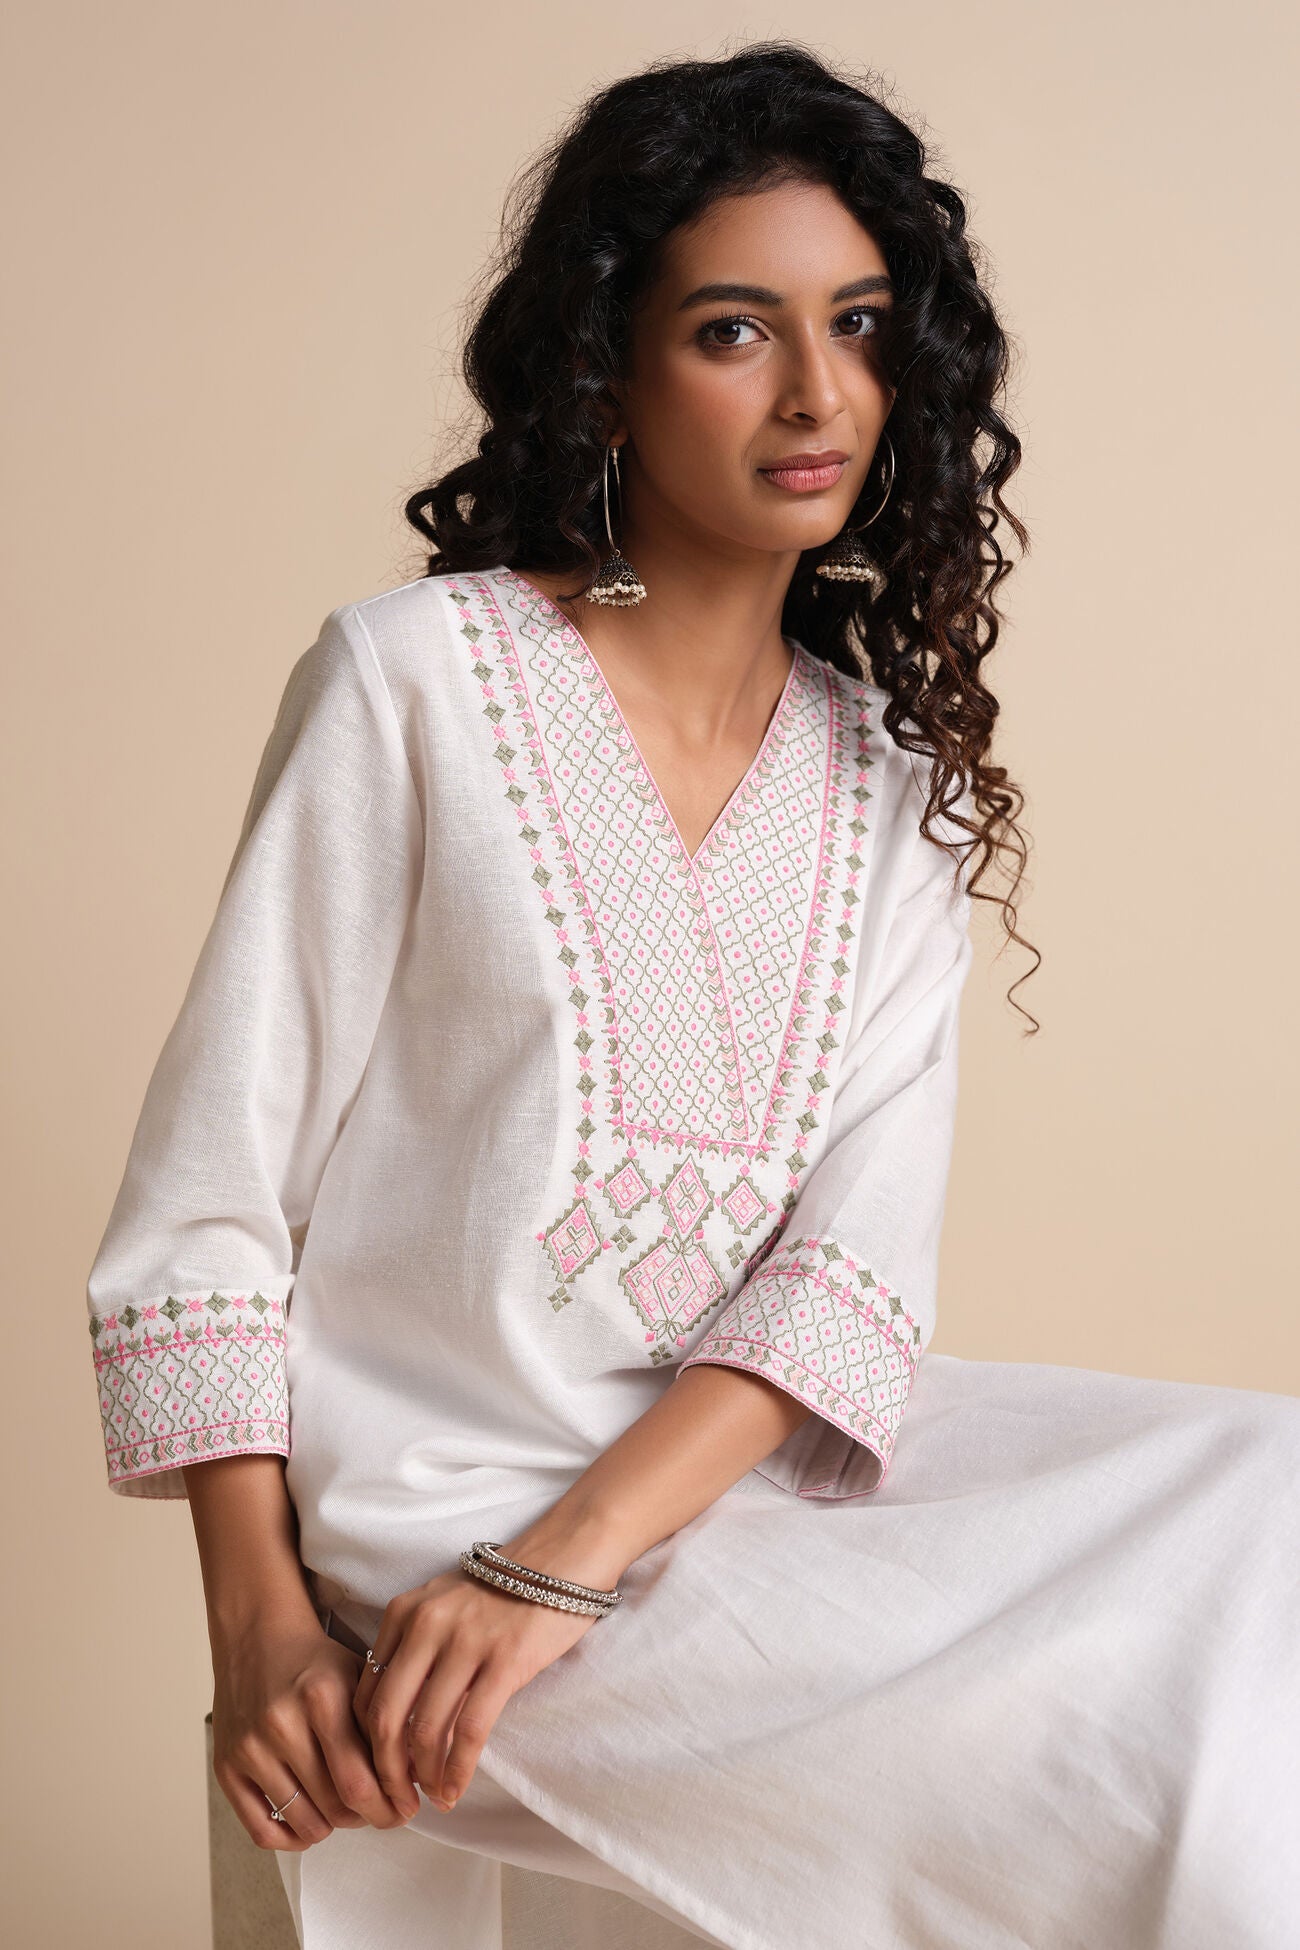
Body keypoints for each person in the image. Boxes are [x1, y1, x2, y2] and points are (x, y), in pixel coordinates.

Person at [84, 41, 1300, 1950]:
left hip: (708, 1498)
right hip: (419, 1515)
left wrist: (565, 1564)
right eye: (736, 329)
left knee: (1264, 1507)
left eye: (864, 326)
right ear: (608, 368)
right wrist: (259, 1625)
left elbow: (845, 1280)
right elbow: (207, 1204)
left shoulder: (889, 773)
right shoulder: (415, 684)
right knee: (1133, 1745)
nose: (819, 394)